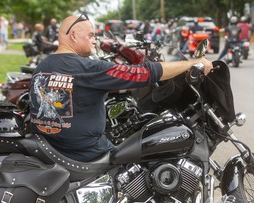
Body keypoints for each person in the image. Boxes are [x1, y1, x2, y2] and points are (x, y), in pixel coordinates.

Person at [29, 14, 213, 162]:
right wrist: (192, 63)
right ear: (74, 35)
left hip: (52, 148)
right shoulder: (87, 68)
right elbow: (143, 73)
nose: (94, 41)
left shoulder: (43, 66)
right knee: (145, 160)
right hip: (87, 153)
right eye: (91, 35)